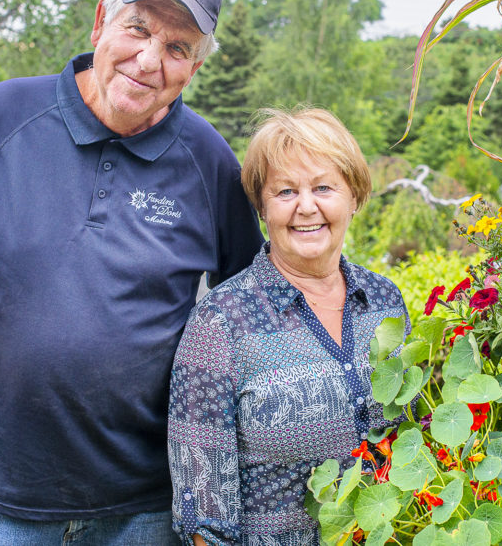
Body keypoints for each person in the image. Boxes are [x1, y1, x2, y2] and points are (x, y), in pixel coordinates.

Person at [0, 0, 264, 545]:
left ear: (193, 69)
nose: (149, 61)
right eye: (138, 30)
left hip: (147, 508)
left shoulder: (209, 163)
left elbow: (247, 309)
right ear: (101, 22)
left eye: (177, 49)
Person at [167, 108, 411, 545]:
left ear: (354, 196)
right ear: (262, 207)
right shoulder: (221, 321)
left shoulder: (384, 301)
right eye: (285, 191)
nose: (306, 206)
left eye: (323, 187)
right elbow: (202, 513)